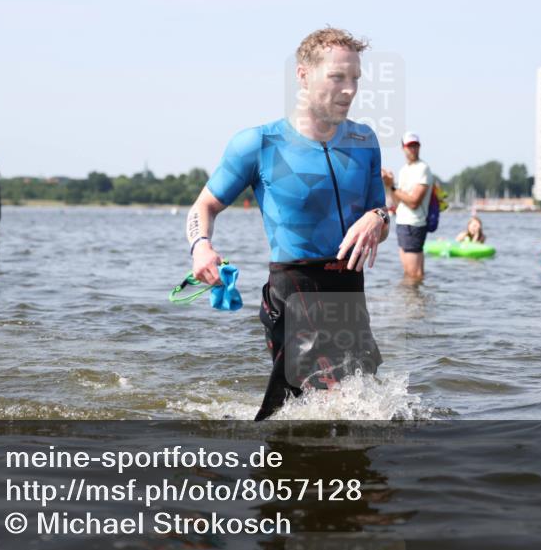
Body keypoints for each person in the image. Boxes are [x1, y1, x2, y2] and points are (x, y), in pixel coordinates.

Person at [184, 27, 389, 421]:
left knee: (355, 404)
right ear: (303, 75)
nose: (349, 90)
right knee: (328, 407)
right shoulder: (259, 143)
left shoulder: (365, 141)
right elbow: (203, 206)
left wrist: (377, 216)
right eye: (337, 77)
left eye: (355, 80)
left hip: (349, 290)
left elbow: (380, 224)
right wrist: (201, 247)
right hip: (295, 289)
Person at [381, 132, 433, 280]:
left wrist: (392, 187)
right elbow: (398, 203)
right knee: (409, 273)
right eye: (410, 146)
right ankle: (410, 301)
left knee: (414, 274)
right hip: (403, 222)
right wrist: (389, 186)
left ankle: (414, 302)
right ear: (403, 148)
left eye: (415, 145)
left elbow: (414, 202)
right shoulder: (404, 170)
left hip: (414, 224)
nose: (413, 149)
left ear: (419, 147)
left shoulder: (423, 168)